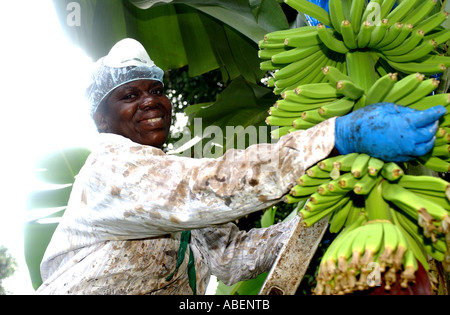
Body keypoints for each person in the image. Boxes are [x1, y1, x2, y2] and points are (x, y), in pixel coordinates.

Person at [36, 38, 445, 295]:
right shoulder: (108, 170)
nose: (149, 101)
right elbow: (207, 188)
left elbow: (230, 256)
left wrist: (311, 219)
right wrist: (333, 136)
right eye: (129, 95)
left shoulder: (168, 183)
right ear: (102, 120)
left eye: (156, 90)